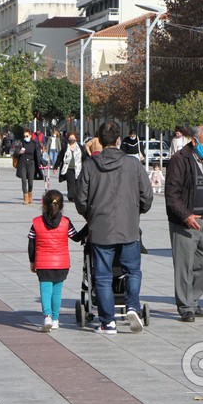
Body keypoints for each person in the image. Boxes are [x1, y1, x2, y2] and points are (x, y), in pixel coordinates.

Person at [76, 121, 153, 334]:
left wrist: (90, 215)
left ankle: (107, 322)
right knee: (132, 270)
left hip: (100, 228)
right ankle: (131, 306)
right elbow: (147, 195)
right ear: (119, 140)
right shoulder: (133, 164)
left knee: (102, 276)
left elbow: (80, 199)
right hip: (129, 227)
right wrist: (137, 212)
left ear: (99, 141)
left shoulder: (90, 165)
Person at [165, 125, 203, 322]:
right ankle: (186, 307)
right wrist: (186, 216)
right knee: (184, 265)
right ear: (194, 141)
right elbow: (172, 195)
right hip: (185, 221)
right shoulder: (179, 160)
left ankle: (192, 299)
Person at [28, 189, 84, 332]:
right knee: (57, 292)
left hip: (43, 263)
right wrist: (89, 226)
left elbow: (31, 244)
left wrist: (32, 261)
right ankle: (55, 319)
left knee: (46, 291)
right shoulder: (65, 222)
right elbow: (76, 237)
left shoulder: (36, 222)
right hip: (61, 263)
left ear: (44, 205)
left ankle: (46, 316)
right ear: (61, 206)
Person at [14, 129, 42, 205]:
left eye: (27, 136)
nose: (25, 137)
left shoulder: (34, 143)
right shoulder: (21, 143)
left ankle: (30, 194)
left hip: (31, 163)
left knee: (30, 181)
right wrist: (19, 152)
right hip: (23, 163)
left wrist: (41, 162)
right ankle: (25, 197)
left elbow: (38, 154)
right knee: (23, 180)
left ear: (30, 135)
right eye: (24, 136)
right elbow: (15, 153)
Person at [53, 132, 83, 202]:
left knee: (76, 183)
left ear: (76, 138)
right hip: (68, 168)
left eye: (73, 138)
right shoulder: (65, 147)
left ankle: (70, 196)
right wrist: (55, 167)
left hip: (78, 168)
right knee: (71, 182)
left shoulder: (80, 147)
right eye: (70, 138)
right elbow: (60, 157)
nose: (71, 139)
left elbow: (84, 157)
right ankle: (72, 196)